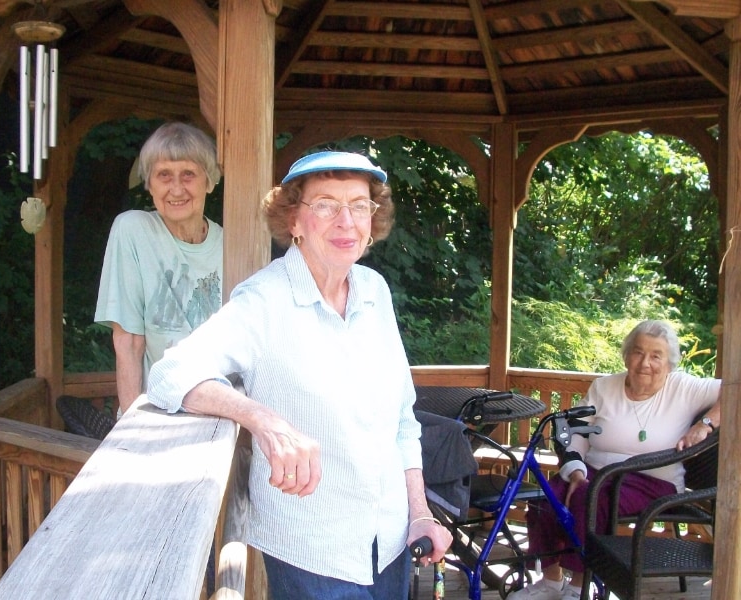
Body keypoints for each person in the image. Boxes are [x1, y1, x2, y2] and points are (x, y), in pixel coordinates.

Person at [146, 150, 452, 599]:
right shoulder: (264, 301)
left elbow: (403, 418)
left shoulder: (374, 291)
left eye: (360, 205)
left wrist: (420, 512)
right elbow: (170, 373)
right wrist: (261, 419)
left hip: (389, 542)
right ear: (293, 220)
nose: (346, 221)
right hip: (312, 554)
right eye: (326, 204)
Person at [509, 319, 721, 600]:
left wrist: (706, 422)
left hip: (653, 481)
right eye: (638, 352)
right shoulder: (604, 387)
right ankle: (550, 582)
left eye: (656, 355)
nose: (645, 362)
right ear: (626, 355)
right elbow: (578, 432)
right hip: (594, 473)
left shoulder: (685, 387)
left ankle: (579, 586)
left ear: (669, 363)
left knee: (589, 500)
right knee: (544, 499)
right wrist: (574, 469)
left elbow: (737, 387)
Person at [95, 121, 223, 416]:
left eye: (188, 174)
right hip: (155, 411)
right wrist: (130, 422)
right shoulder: (133, 230)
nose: (176, 188)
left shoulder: (233, 245)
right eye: (164, 175)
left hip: (219, 411)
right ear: (149, 183)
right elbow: (128, 339)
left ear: (210, 180)